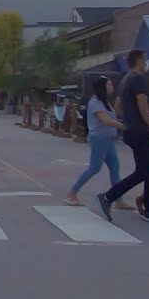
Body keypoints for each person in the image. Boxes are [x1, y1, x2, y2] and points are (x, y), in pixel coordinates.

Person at [97, 50, 149, 222]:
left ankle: (143, 205)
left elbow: (118, 106)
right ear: (139, 60)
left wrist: (130, 118)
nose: (146, 63)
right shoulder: (138, 79)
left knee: (146, 171)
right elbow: (143, 105)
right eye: (144, 59)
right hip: (140, 131)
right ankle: (112, 197)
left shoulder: (125, 79)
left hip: (130, 130)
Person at [64, 77, 132, 209]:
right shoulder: (95, 102)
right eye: (109, 85)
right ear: (103, 87)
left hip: (108, 139)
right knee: (94, 168)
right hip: (99, 139)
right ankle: (72, 193)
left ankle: (118, 200)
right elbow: (105, 120)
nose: (112, 87)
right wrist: (124, 126)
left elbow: (112, 118)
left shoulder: (105, 102)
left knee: (115, 169)